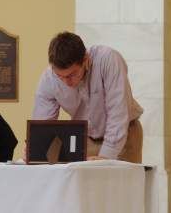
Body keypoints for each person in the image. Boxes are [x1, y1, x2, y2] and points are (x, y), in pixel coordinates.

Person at [31, 31, 143, 162]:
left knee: (122, 182)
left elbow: (118, 111)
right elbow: (43, 125)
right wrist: (35, 149)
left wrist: (106, 156)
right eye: (60, 76)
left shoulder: (108, 59)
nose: (67, 82)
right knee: (85, 182)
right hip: (86, 138)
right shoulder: (49, 79)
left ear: (86, 59)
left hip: (124, 134)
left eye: (72, 75)